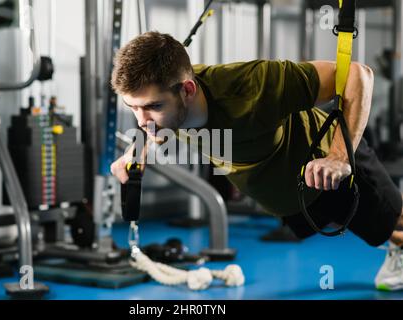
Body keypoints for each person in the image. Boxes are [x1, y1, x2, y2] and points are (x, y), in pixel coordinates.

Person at [110, 31, 403, 291]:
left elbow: (357, 75)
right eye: (132, 107)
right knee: (381, 231)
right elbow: (152, 125)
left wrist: (339, 156)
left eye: (152, 107)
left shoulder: (253, 87)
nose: (142, 119)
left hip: (327, 165)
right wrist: (139, 149)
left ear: (188, 91)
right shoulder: (165, 110)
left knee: (394, 224)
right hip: (291, 195)